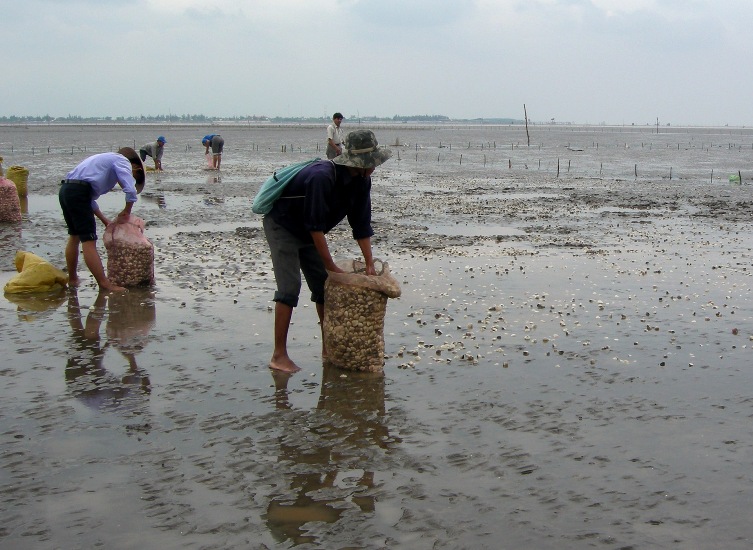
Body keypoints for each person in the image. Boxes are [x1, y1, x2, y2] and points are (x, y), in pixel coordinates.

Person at [263, 129, 392, 373]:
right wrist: (331, 267)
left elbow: (361, 224)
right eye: (372, 162)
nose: (375, 166)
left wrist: (369, 264)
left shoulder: (362, 181)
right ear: (360, 163)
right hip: (283, 226)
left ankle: (329, 348)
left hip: (310, 231)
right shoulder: (322, 177)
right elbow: (315, 227)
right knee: (289, 289)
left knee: (324, 289)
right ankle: (279, 356)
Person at [59, 147, 145, 292]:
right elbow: (130, 190)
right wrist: (127, 211)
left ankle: (72, 279)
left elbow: (89, 201)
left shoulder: (104, 160)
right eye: (134, 176)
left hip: (66, 190)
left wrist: (105, 220)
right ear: (135, 167)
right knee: (89, 240)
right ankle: (104, 283)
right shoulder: (122, 161)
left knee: (74, 236)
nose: (131, 178)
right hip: (79, 192)